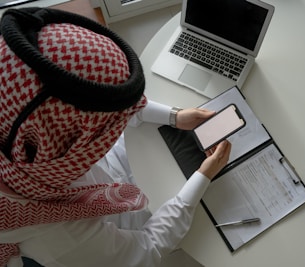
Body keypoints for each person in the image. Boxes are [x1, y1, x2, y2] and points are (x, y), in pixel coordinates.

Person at [0, 7, 231, 267]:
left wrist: (174, 115)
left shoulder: (22, 119)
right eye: (109, 121)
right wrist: (202, 178)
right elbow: (147, 249)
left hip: (112, 175)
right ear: (71, 139)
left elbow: (97, 103)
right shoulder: (58, 236)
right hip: (127, 224)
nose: (123, 117)